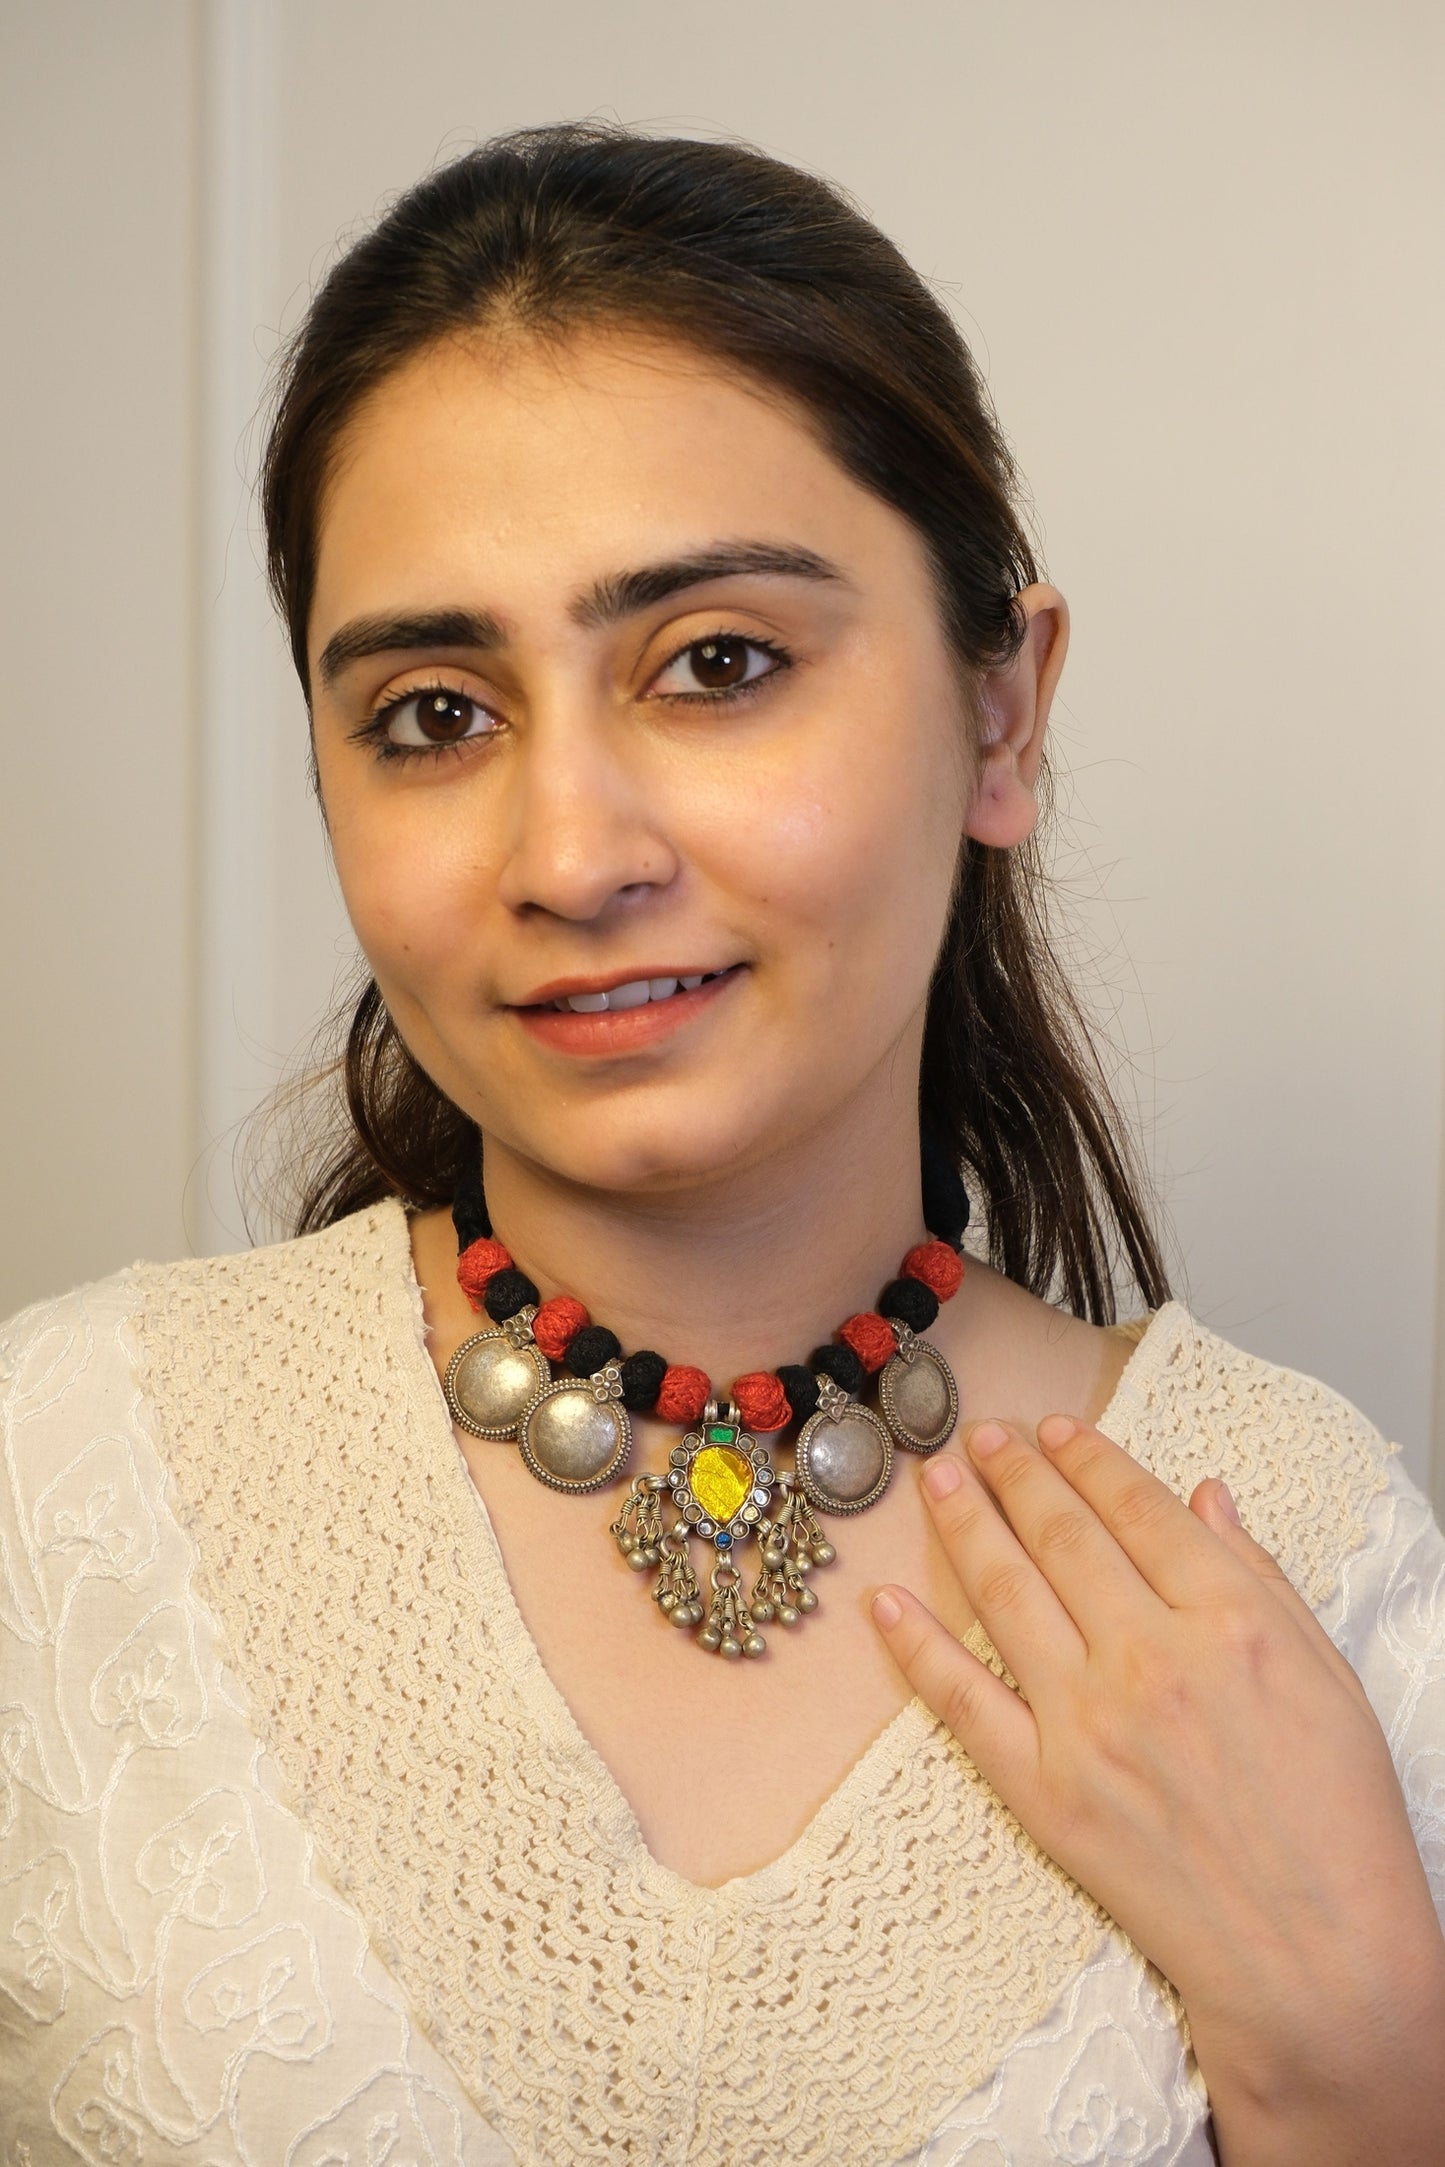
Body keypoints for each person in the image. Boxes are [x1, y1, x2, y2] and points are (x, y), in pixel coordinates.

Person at [2, 122, 1442, 2166]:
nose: (573, 854)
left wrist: (1366, 2056)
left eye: (720, 666)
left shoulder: (1303, 1555)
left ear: (1003, 717)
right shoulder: (51, 1484)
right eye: (432, 712)